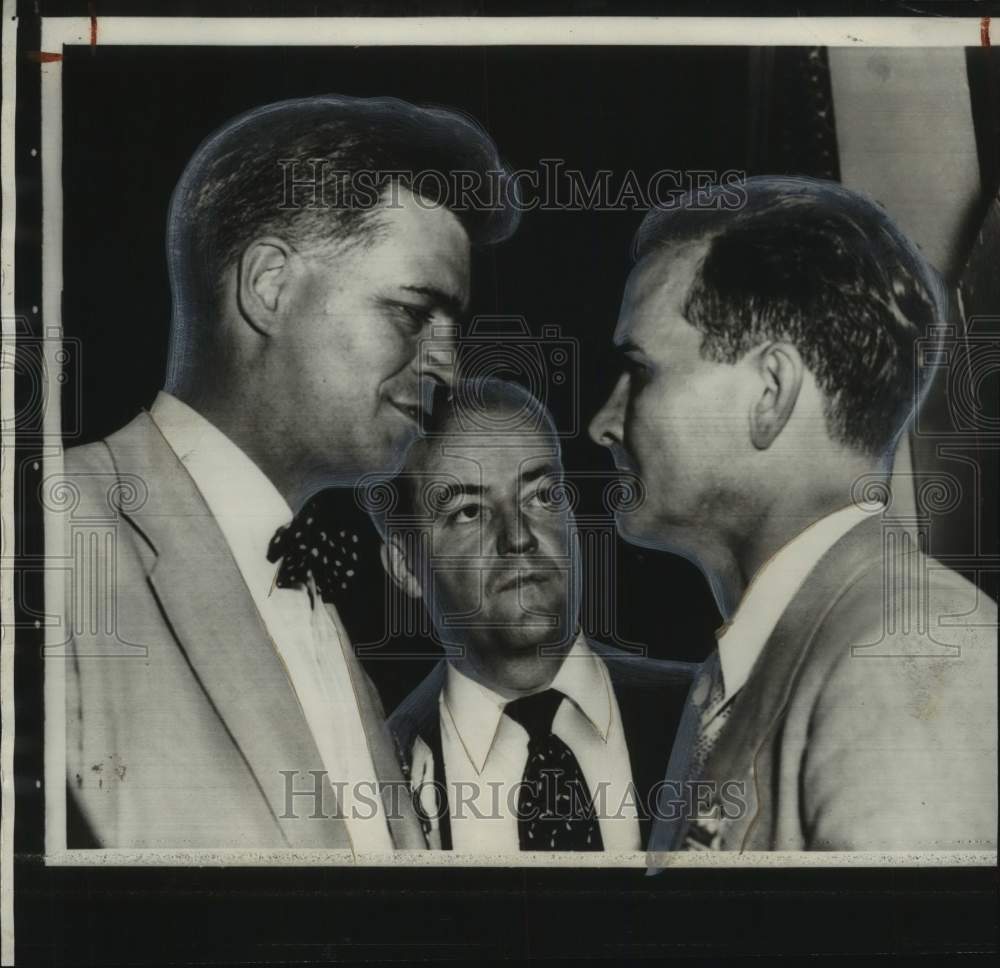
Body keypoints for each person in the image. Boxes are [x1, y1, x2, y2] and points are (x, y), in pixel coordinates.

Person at [60, 95, 519, 849]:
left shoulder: (315, 597)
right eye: (413, 313)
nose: (448, 365)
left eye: (453, 328)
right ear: (268, 285)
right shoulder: (47, 532)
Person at [588, 176, 997, 852]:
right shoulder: (748, 669)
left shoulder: (906, 656)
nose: (603, 423)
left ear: (770, 392)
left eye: (641, 372)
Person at [380, 379, 696, 852]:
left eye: (541, 496)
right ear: (406, 566)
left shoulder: (706, 715)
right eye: (469, 512)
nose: (519, 536)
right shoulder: (374, 775)